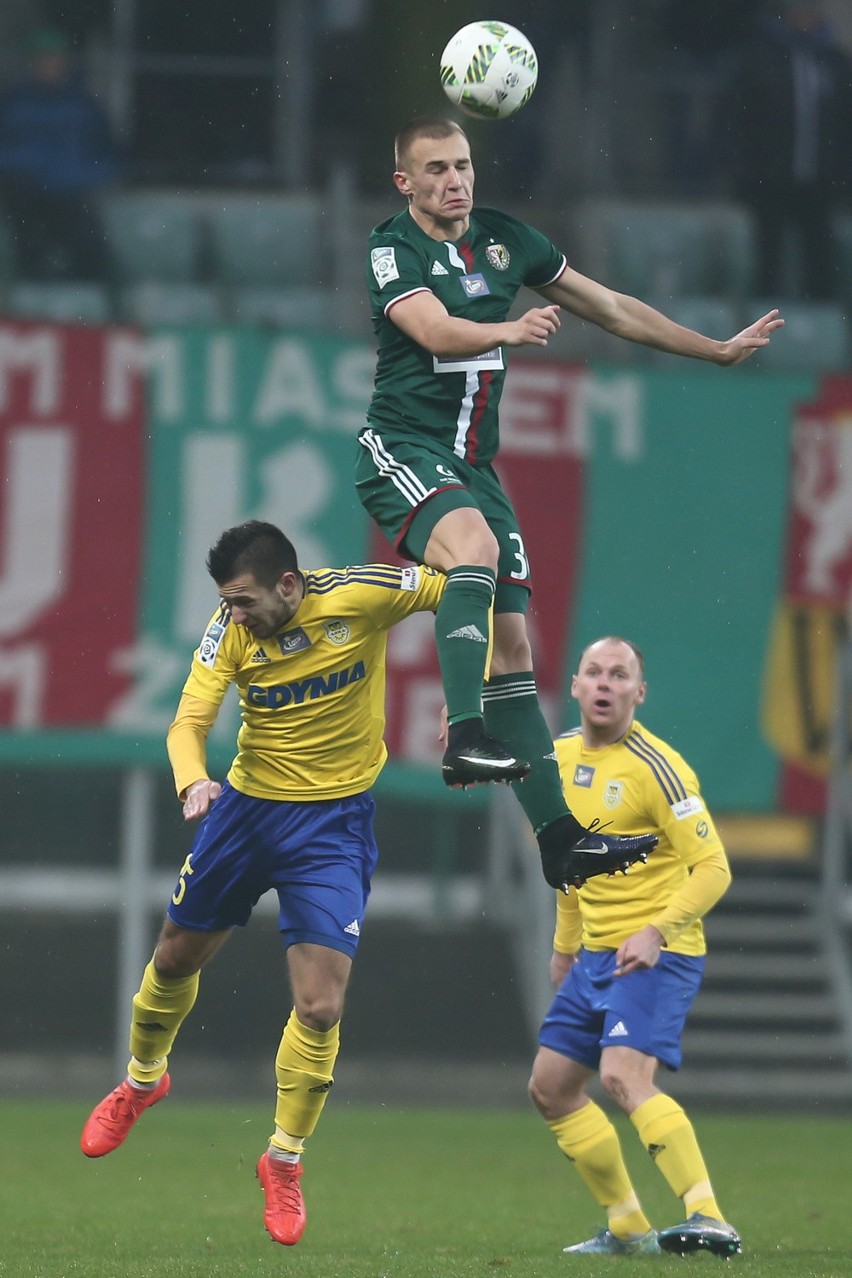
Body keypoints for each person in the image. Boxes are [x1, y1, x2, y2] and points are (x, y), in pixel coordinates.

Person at [355, 115, 781, 894]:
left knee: (515, 646)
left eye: (464, 165)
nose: (456, 180)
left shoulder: (505, 240)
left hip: (475, 468)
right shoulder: (393, 248)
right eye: (437, 169)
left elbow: (612, 308)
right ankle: (465, 737)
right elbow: (433, 330)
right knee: (475, 553)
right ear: (405, 183)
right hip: (404, 448)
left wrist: (714, 348)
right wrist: (509, 329)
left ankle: (560, 842)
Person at [79, 520, 450, 1247]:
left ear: (288, 584)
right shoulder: (231, 630)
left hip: (334, 827)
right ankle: (144, 1080)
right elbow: (187, 723)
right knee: (174, 958)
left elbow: (471, 587)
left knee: (320, 1006)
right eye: (227, 601)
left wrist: (473, 699)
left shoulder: (362, 595)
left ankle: (283, 1160)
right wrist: (193, 782)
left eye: (244, 599)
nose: (234, 613)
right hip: (245, 813)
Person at [528, 636, 741, 1258]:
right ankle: (626, 1227)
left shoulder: (658, 767)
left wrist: (658, 931)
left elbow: (714, 867)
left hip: (659, 953)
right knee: (550, 1087)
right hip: (594, 954)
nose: (604, 684)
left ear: (638, 694)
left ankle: (709, 1215)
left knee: (622, 1075)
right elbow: (569, 859)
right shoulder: (557, 757)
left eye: (619, 676)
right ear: (574, 685)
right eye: (593, 672)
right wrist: (564, 946)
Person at [727, 0, 852, 300]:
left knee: (819, 255)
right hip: (770, 178)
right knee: (769, 254)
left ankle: (819, 327)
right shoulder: (759, 60)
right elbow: (739, 121)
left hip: (819, 179)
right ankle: (764, 325)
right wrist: (744, 169)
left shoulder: (832, 62)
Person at [0, 27, 119, 280]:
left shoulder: (83, 103)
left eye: (54, 60)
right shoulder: (14, 102)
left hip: (70, 192)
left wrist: (85, 175)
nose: (49, 66)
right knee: (29, 239)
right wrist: (28, 166)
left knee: (87, 246)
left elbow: (107, 150)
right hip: (26, 191)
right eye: (42, 60)